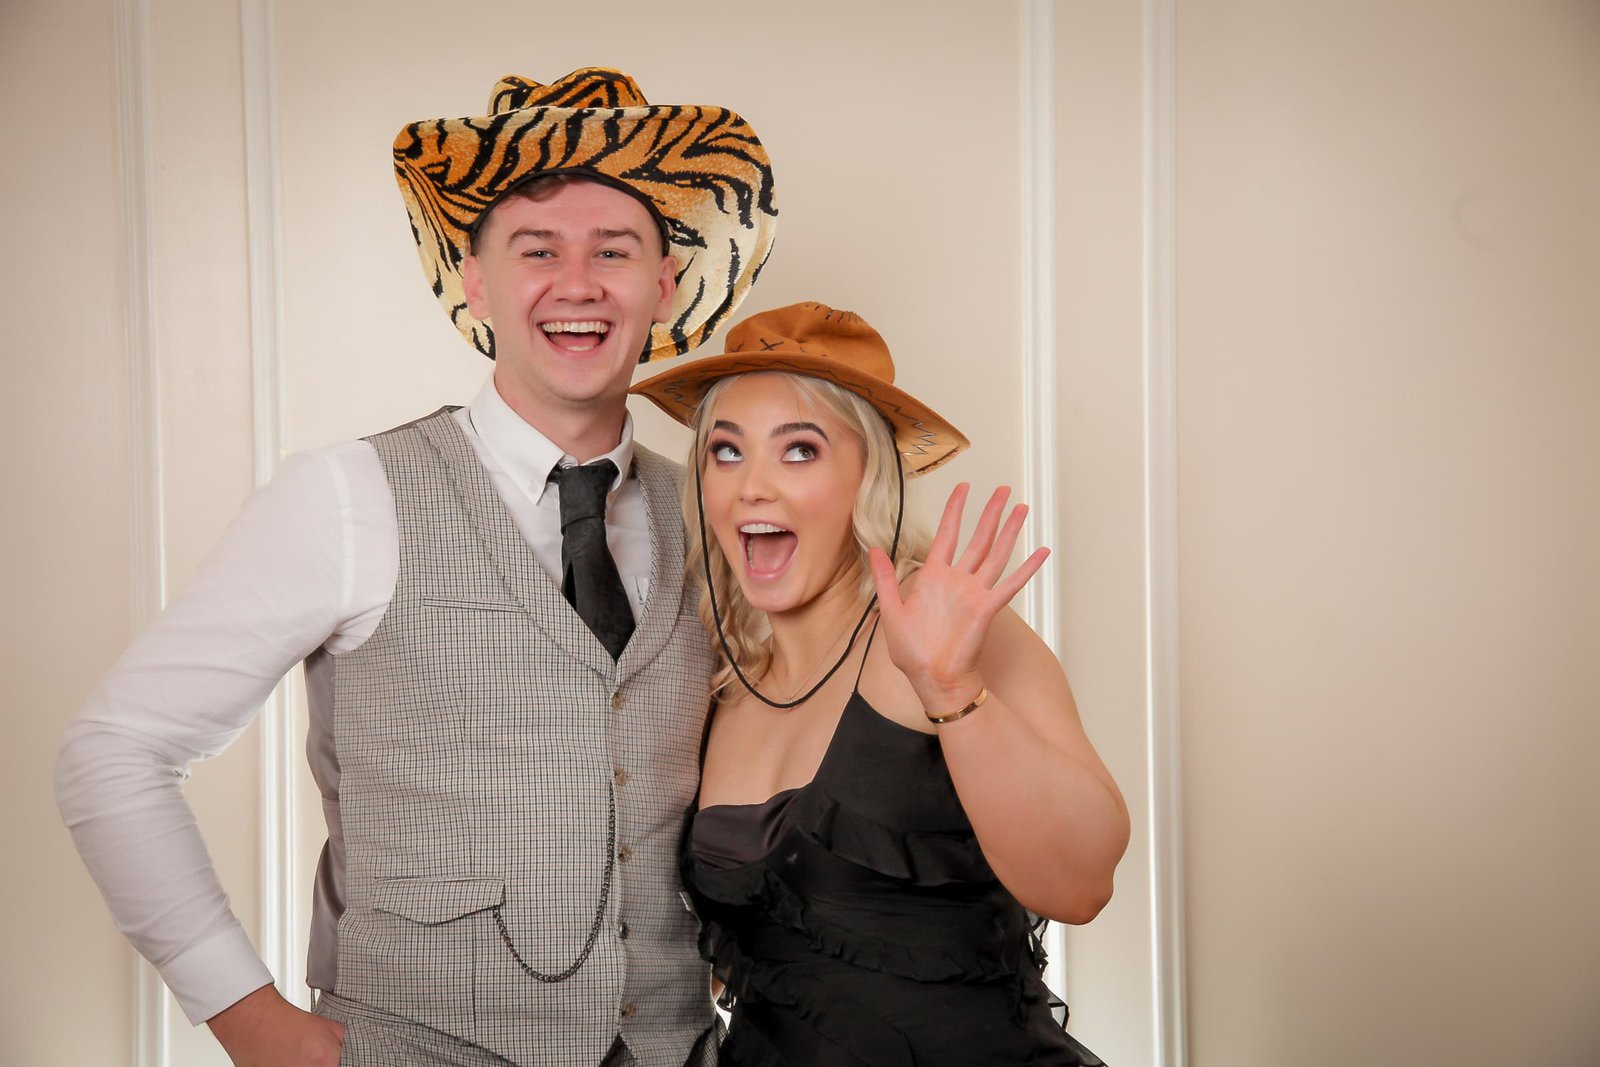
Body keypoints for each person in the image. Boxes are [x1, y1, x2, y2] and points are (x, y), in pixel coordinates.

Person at [55, 67, 777, 1067]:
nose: (577, 284)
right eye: (537, 250)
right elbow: (113, 751)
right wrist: (250, 1020)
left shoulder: (714, 512)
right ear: (474, 278)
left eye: (614, 251)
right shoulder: (346, 495)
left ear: (662, 283)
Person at [630, 302, 1129, 1065]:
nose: (752, 486)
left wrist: (948, 688)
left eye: (799, 451)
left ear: (870, 476)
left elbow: (1082, 883)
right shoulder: (717, 678)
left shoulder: (950, 633)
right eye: (725, 453)